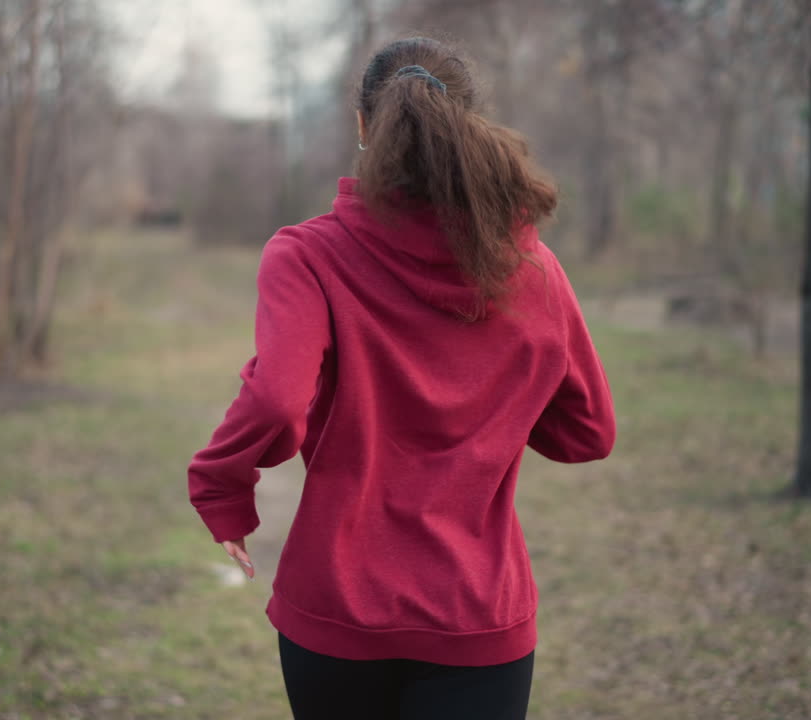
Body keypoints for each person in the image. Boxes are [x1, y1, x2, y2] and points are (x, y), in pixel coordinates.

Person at [187, 36, 616, 720]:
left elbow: (275, 402)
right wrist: (494, 391)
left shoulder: (307, 256)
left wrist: (221, 485)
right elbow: (587, 432)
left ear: (364, 126)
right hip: (478, 614)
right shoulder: (532, 269)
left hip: (336, 607)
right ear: (468, 124)